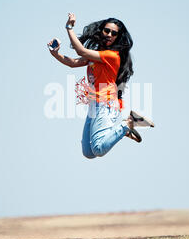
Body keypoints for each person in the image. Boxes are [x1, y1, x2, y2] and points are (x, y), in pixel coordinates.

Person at [48, 13, 154, 159]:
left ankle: (127, 124)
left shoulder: (112, 56)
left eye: (114, 33)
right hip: (94, 105)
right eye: (107, 31)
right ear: (101, 31)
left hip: (106, 103)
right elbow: (73, 63)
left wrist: (69, 27)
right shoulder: (97, 55)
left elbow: (81, 50)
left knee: (98, 149)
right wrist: (56, 54)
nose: (109, 34)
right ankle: (124, 130)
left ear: (118, 37)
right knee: (88, 152)